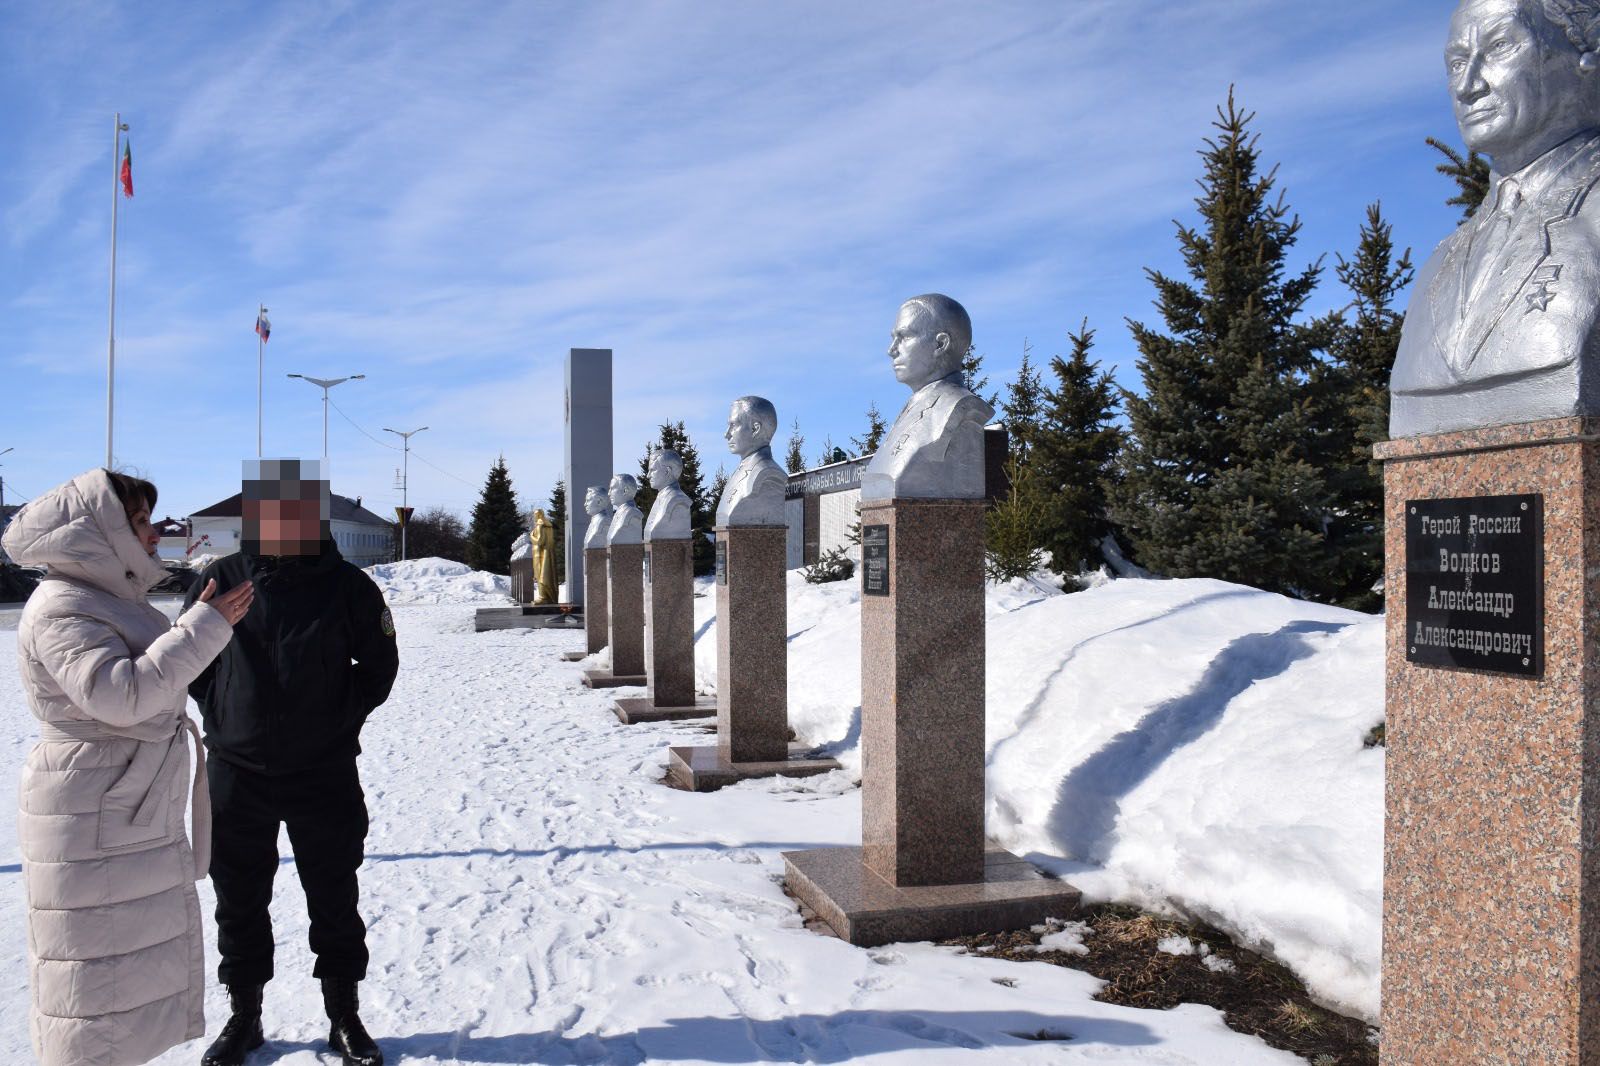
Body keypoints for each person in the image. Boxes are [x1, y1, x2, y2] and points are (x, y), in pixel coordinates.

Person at [5, 469, 253, 1065]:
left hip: (121, 800)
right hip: (92, 807)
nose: (151, 534)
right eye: (138, 521)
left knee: (125, 977)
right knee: (91, 984)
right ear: (100, 529)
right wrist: (204, 626)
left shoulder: (109, 597)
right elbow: (122, 697)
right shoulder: (63, 607)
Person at [184, 460, 398, 1066]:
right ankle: (244, 1017)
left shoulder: (349, 587)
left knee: (334, 891)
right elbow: (188, 659)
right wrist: (226, 713)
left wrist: (338, 718)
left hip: (322, 771)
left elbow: (379, 669)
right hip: (237, 772)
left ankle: (344, 1015)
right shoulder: (220, 579)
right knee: (239, 896)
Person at [1390, 0, 1600, 437]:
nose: (1467, 86)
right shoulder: (1439, 264)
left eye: (1500, 45)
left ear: (1587, 53)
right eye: (1457, 62)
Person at [861, 295, 993, 501]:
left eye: (904, 337)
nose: (891, 350)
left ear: (940, 344)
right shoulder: (911, 408)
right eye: (893, 338)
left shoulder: (958, 407)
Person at [716, 397, 787, 526]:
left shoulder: (768, 475)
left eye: (733, 425)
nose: (726, 434)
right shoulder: (741, 471)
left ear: (755, 429)